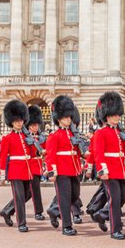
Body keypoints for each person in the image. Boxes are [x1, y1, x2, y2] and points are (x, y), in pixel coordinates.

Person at [93, 91, 125, 240]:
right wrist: (102, 170)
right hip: (109, 171)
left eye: (118, 114)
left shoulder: (120, 132)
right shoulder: (101, 133)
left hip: (121, 169)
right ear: (107, 115)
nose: (117, 116)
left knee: (123, 197)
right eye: (114, 114)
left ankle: (102, 214)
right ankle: (115, 230)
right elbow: (98, 153)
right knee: (115, 200)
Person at [45, 95, 83, 236]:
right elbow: (50, 155)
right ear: (59, 118)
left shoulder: (74, 134)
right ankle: (66, 226)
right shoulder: (54, 135)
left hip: (74, 169)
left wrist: (83, 160)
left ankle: (54, 211)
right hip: (61, 170)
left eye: (69, 116)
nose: (68, 119)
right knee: (65, 198)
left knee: (75, 195)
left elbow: (76, 152)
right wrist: (51, 171)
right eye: (65, 117)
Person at [0, 100, 33, 233]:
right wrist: (2, 174)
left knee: (27, 194)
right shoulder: (7, 138)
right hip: (16, 170)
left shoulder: (26, 136)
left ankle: (7, 211)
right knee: (19, 197)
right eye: (17, 120)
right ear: (11, 122)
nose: (19, 122)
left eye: (21, 120)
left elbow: (33, 152)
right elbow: (2, 156)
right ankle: (21, 223)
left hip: (27, 169)